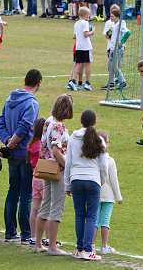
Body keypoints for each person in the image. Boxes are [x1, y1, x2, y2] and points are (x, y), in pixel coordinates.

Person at [0, 69, 42, 244]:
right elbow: (24, 127)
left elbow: (0, 123)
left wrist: (7, 141)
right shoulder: (31, 104)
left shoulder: (9, 100)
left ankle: (10, 231)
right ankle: (25, 234)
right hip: (25, 154)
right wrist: (11, 142)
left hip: (12, 155)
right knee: (26, 194)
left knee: (12, 192)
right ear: (39, 84)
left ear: (24, 80)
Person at [64, 109, 108, 261]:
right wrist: (100, 181)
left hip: (76, 179)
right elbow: (103, 166)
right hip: (93, 180)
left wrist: (67, 185)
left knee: (79, 214)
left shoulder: (72, 138)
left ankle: (79, 248)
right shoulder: (99, 140)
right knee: (91, 215)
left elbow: (68, 163)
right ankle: (88, 249)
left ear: (80, 121)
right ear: (95, 122)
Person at [34, 94, 74, 256]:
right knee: (57, 207)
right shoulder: (58, 126)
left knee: (45, 204)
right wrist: (68, 167)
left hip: (46, 167)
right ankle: (52, 246)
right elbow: (57, 150)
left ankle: (38, 243)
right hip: (57, 170)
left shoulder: (48, 122)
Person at [92, 130, 123, 255]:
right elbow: (113, 180)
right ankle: (104, 246)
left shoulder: (93, 159)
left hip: (95, 194)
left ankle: (92, 245)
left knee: (94, 220)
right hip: (108, 196)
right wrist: (119, 197)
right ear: (107, 143)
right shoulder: (110, 161)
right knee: (105, 220)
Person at [27, 117, 46, 246]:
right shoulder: (42, 145)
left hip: (35, 177)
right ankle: (48, 238)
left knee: (35, 208)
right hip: (44, 177)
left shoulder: (31, 143)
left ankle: (33, 236)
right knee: (46, 209)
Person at [67, 7, 95, 91]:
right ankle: (87, 83)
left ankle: (72, 81)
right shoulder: (85, 23)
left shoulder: (76, 23)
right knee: (88, 64)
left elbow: (74, 36)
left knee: (78, 64)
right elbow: (85, 34)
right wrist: (92, 31)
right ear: (85, 15)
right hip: (86, 46)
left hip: (78, 46)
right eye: (88, 14)